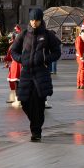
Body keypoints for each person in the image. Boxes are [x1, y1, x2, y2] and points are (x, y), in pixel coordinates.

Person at [10, 8, 62, 141]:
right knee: (24, 101)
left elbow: (57, 52)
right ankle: (36, 123)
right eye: (32, 20)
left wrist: (45, 59)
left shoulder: (47, 34)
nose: (34, 23)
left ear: (41, 20)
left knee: (39, 103)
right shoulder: (24, 34)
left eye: (37, 20)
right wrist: (21, 59)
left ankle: (36, 131)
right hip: (26, 72)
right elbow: (14, 50)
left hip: (41, 73)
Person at [4, 25, 22, 107]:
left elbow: (9, 55)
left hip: (15, 65)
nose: (10, 39)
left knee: (15, 82)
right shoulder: (23, 44)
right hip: (21, 65)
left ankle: (17, 99)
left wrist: (6, 60)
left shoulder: (13, 45)